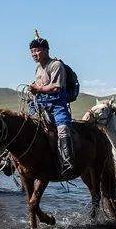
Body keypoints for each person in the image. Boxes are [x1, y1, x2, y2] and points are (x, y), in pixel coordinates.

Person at [27, 33, 73, 177]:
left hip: (57, 104)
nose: (34, 53)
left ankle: (67, 162)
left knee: (63, 129)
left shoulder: (56, 65)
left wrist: (38, 88)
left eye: (37, 50)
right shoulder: (38, 68)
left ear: (46, 50)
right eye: (32, 51)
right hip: (40, 104)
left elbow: (56, 88)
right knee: (25, 126)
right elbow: (40, 86)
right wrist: (33, 89)